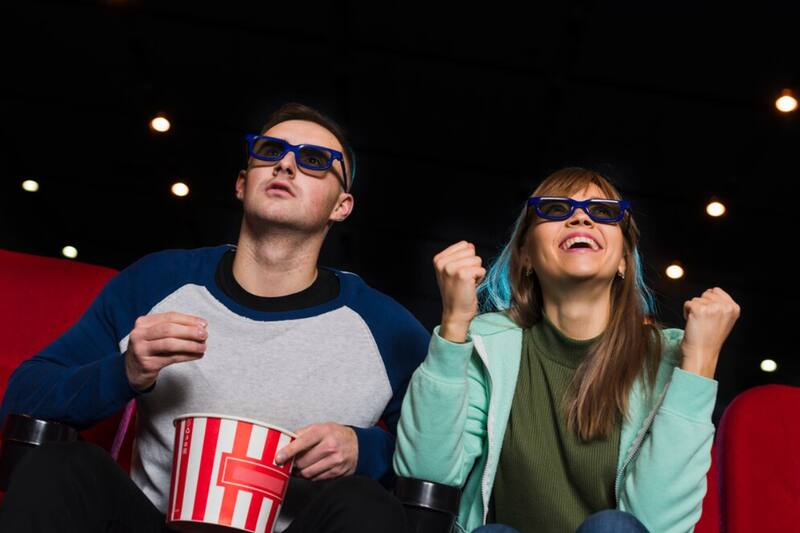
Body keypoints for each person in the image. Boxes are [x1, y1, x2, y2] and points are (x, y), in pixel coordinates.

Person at [0, 102, 428, 532]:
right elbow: (25, 395)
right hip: (157, 523)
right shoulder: (158, 281)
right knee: (62, 464)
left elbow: (442, 465)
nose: (285, 164)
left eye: (314, 161)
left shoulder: (385, 327)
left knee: (365, 503)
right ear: (243, 184)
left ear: (342, 206)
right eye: (269, 151)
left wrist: (365, 449)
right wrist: (124, 371)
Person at [393, 167, 741, 533]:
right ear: (525, 256)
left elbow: (657, 525)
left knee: (614, 528)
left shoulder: (668, 357)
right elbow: (424, 478)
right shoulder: (486, 344)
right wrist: (453, 326)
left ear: (624, 260)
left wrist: (699, 364)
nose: (580, 217)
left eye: (603, 211)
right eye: (555, 209)